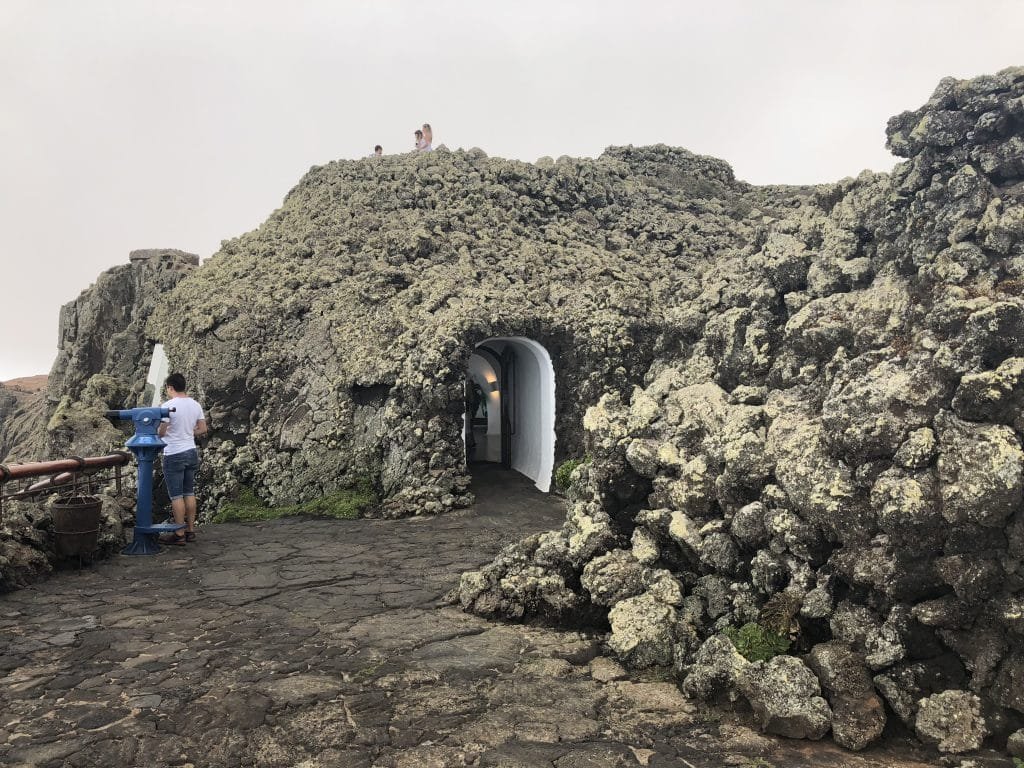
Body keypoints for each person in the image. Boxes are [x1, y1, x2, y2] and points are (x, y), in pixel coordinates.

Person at [157, 373, 207, 545]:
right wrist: (188, 432)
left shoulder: (168, 406)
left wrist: (160, 431)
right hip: (191, 452)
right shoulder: (195, 405)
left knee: (176, 496)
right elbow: (202, 428)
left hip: (174, 453)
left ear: (170, 387)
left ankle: (179, 534)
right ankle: (191, 530)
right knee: (189, 492)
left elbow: (162, 432)